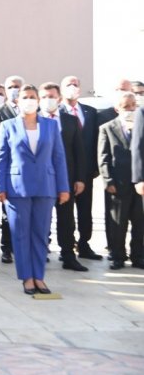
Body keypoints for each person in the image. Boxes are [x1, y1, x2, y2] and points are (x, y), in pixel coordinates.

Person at [0, 84, 70, 295]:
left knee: (41, 233)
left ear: (38, 100)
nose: (29, 100)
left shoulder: (50, 126)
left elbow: (59, 157)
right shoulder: (7, 126)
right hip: (17, 188)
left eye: (32, 97)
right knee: (20, 234)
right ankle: (27, 277)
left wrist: (63, 187)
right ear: (18, 101)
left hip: (45, 186)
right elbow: (0, 159)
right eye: (25, 97)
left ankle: (39, 277)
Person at [39, 83, 88, 272]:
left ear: (59, 98)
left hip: (65, 179)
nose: (48, 100)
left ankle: (68, 255)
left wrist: (80, 178)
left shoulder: (70, 120)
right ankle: (40, 252)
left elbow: (79, 151)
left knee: (67, 219)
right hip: (42, 179)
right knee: (42, 219)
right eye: (44, 97)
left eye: (51, 96)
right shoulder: (33, 120)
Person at [59, 75, 102, 261]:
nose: (72, 87)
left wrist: (95, 168)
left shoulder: (90, 112)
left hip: (86, 172)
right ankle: (67, 247)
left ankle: (84, 244)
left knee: (85, 211)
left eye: (75, 84)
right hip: (64, 172)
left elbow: (96, 141)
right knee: (65, 213)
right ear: (62, 89)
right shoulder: (57, 113)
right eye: (68, 84)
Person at [99, 92, 143, 270]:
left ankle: (138, 255)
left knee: (139, 223)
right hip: (118, 183)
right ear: (117, 108)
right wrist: (108, 180)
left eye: (133, 106)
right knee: (118, 222)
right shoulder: (107, 128)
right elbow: (103, 157)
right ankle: (117, 255)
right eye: (126, 107)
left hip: (139, 184)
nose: (130, 109)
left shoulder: (141, 125)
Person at [0, 76, 25, 264]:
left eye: (17, 86)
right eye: (11, 87)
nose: (14, 90)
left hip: (29, 172)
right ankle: (7, 248)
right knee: (8, 215)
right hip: (9, 171)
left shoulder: (33, 112)